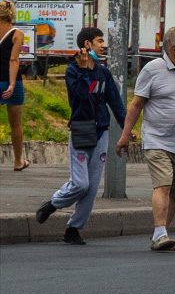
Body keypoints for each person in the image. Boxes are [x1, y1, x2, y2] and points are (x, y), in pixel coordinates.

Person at [34, 29, 128, 244]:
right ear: (87, 43)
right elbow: (81, 97)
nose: (103, 45)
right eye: (100, 41)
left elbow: (115, 102)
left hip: (101, 133)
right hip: (80, 131)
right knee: (80, 184)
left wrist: (126, 128)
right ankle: (52, 204)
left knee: (92, 187)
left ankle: (73, 229)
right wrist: (85, 69)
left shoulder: (104, 73)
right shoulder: (72, 70)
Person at [117, 26, 175, 252]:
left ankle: (160, 236)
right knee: (163, 184)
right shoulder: (153, 70)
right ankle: (160, 233)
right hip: (157, 142)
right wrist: (125, 135)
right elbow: (136, 104)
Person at [0, 0, 30, 171]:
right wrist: (11, 85)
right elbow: (13, 59)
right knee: (16, 124)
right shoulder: (17, 33)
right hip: (13, 82)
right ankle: (18, 161)